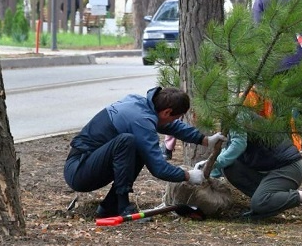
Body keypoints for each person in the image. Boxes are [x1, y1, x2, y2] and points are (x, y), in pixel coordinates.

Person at [64, 86, 226, 218]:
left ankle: (109, 206)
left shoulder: (142, 104)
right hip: (79, 171)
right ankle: (123, 207)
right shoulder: (142, 121)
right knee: (127, 141)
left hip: (87, 163)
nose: (175, 121)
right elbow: (158, 168)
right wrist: (188, 176)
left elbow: (171, 126)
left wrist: (205, 140)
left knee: (134, 146)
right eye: (176, 117)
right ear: (166, 112)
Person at [197, 90, 302, 221]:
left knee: (259, 203)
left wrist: (212, 164)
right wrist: (207, 172)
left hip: (287, 168)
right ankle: (266, 201)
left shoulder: (236, 114)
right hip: (269, 169)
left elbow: (238, 145)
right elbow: (228, 152)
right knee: (230, 167)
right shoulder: (229, 115)